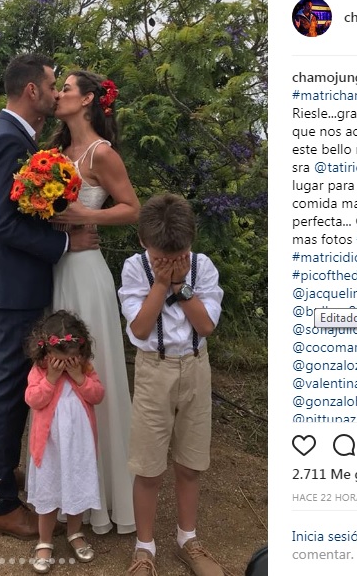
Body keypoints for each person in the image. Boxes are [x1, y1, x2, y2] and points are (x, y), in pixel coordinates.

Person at [0, 53, 99, 539]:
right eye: (50, 84)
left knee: (6, 384)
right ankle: (0, 503)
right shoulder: (8, 139)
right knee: (8, 389)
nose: (55, 92)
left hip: (11, 281)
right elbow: (4, 224)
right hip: (13, 283)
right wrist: (65, 243)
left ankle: (0, 474)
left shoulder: (12, 136)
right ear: (31, 91)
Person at [44, 69, 140, 535]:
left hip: (87, 272)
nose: (57, 94)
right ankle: (60, 496)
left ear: (87, 100)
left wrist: (87, 214)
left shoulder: (102, 153)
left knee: (89, 370)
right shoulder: (51, 155)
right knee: (54, 372)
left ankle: (103, 496)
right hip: (53, 270)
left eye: (65, 88)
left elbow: (132, 208)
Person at [118, 194, 226, 576]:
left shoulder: (203, 267)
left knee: (191, 462)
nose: (168, 261)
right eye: (159, 257)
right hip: (154, 370)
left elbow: (206, 325)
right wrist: (161, 284)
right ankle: (144, 547)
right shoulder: (134, 269)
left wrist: (180, 285)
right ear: (143, 243)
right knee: (148, 466)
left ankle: (187, 539)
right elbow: (140, 328)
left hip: (196, 367)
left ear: (190, 243)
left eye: (178, 255)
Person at [24, 310, 104, 573]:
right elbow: (33, 399)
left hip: (78, 446)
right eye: (59, 360)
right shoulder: (40, 371)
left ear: (80, 352)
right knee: (49, 489)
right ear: (46, 352)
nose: (65, 364)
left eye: (71, 359)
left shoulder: (84, 369)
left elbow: (97, 395)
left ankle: (74, 532)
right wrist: (51, 379)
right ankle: (45, 540)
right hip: (50, 447)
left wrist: (79, 377)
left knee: (76, 486)